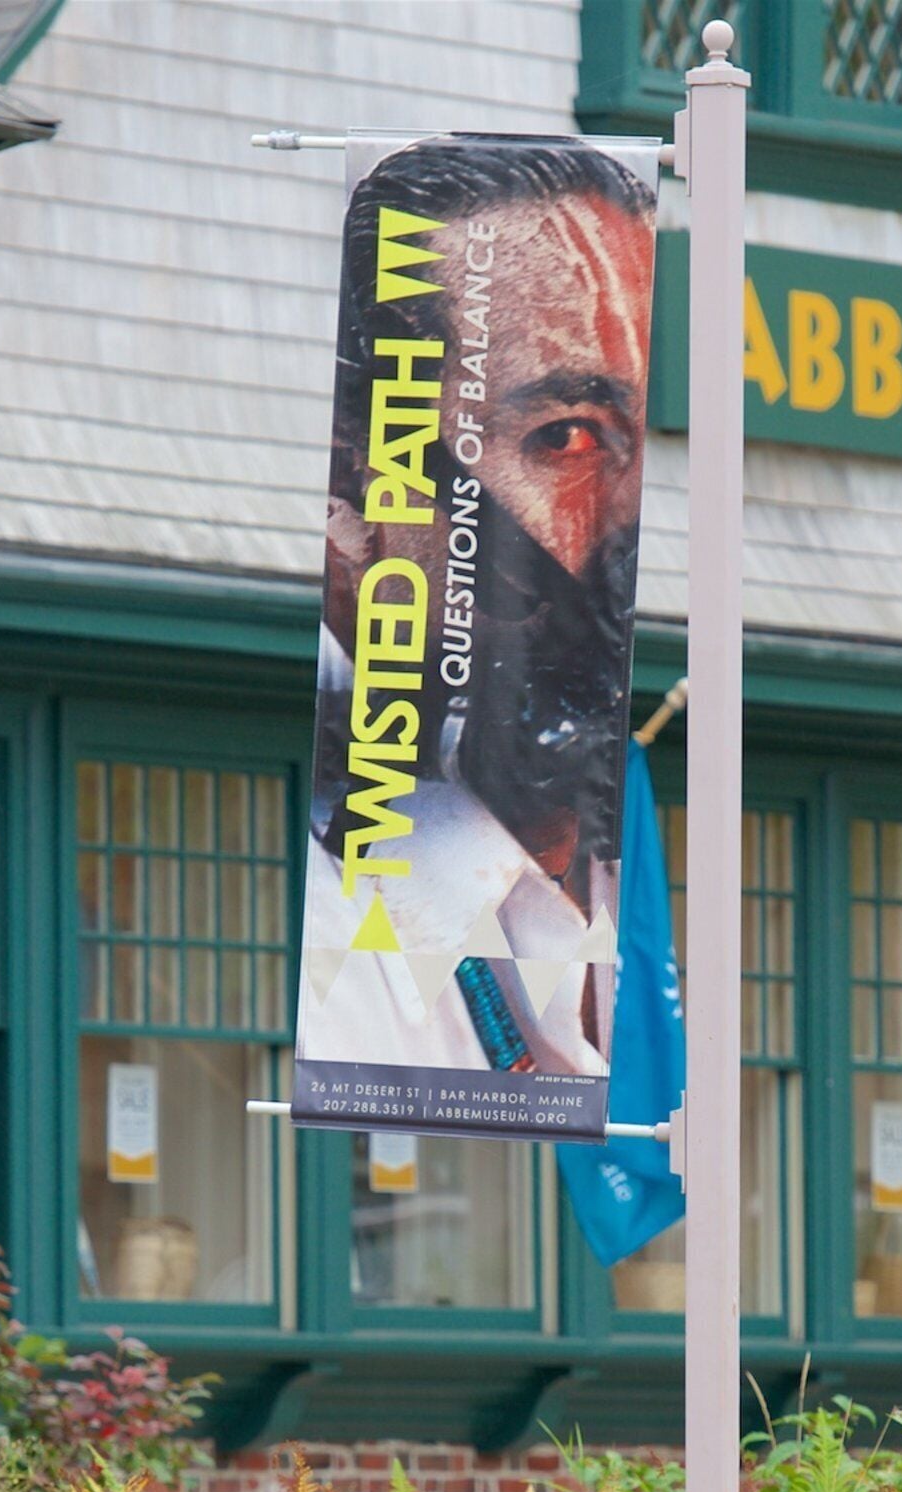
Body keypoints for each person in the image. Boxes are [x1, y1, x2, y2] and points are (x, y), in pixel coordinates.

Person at [301, 133, 656, 1089]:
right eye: (567, 436)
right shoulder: (338, 936)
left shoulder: (624, 879)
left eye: (635, 433)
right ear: (361, 485)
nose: (624, 522)